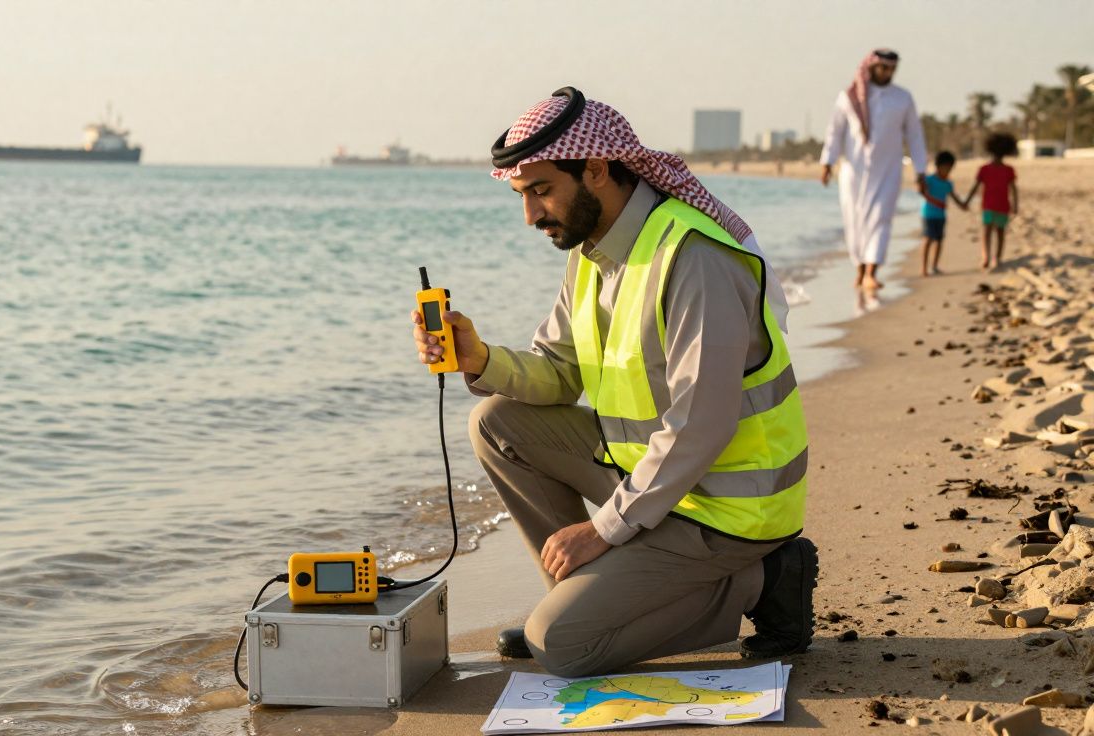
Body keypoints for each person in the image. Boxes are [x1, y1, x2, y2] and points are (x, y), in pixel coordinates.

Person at [409, 87, 815, 678]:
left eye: (541, 191)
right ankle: (585, 598)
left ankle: (767, 580)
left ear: (596, 168)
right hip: (659, 483)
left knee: (562, 648)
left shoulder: (693, 256)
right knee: (495, 421)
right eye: (523, 196)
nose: (530, 217)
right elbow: (557, 373)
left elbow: (700, 424)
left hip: (729, 510)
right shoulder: (593, 253)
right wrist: (479, 359)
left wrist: (604, 528)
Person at [820, 48, 928, 291]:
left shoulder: (903, 98)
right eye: (883, 68)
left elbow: (915, 135)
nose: (888, 73)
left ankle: (872, 271)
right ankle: (859, 269)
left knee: (881, 218)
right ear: (871, 67)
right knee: (854, 220)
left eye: (892, 68)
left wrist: (921, 171)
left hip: (888, 171)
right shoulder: (848, 98)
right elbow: (834, 131)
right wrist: (827, 162)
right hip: (852, 172)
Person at [963, 133, 1020, 270]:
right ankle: (989, 258)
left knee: (992, 231)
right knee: (993, 231)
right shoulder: (987, 169)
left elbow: (1013, 189)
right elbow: (1013, 190)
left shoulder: (1007, 170)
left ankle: (992, 258)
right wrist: (1015, 205)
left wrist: (966, 202)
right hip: (992, 205)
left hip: (997, 206)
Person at [920, 151, 968, 276]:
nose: (947, 171)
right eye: (946, 168)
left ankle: (935, 266)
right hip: (929, 215)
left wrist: (962, 205)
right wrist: (937, 203)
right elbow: (923, 192)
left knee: (939, 240)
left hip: (941, 216)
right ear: (938, 166)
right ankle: (924, 268)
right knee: (928, 240)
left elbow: (953, 196)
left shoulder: (948, 183)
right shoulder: (929, 179)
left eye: (950, 168)